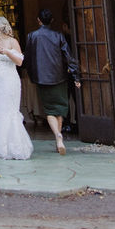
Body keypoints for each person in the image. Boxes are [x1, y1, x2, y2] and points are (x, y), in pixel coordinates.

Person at [25, 9, 81, 155]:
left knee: (49, 110)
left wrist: (32, 76)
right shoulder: (59, 36)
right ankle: (59, 138)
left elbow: (28, 60)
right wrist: (75, 75)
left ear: (38, 20)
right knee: (59, 109)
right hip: (59, 77)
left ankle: (57, 135)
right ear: (52, 20)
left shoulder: (32, 36)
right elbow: (69, 57)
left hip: (42, 78)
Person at [0, 16, 33, 160]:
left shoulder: (12, 42)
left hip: (10, 79)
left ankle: (13, 147)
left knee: (9, 110)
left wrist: (7, 52)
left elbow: (20, 61)